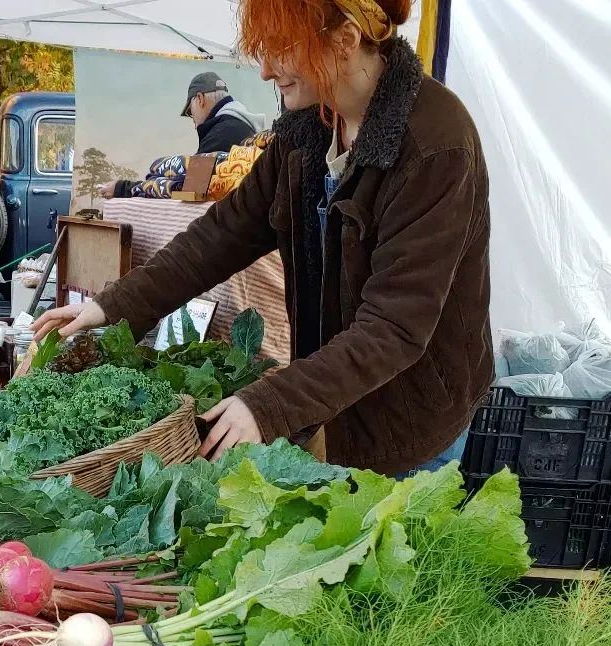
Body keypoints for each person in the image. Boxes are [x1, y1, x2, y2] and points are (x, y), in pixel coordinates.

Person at [36, 0, 493, 477]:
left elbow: (395, 327)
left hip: (412, 414)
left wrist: (268, 405)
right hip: (337, 398)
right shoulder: (309, 126)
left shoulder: (435, 143)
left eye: (281, 50)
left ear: (345, 39)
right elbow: (222, 234)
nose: (266, 71)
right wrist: (112, 306)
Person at [99, 72, 265, 199]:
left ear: (199, 99)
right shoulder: (241, 127)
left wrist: (124, 189)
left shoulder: (223, 131)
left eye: (189, 111)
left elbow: (191, 189)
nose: (193, 121)